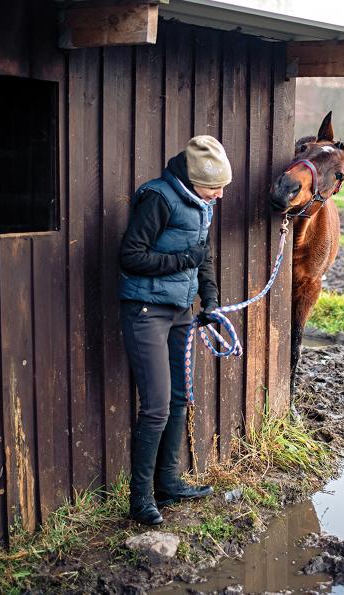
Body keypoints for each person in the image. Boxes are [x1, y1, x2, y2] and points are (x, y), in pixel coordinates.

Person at [118, 136, 231, 525]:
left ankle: (169, 483)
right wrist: (186, 258)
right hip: (146, 310)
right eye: (213, 188)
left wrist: (211, 300)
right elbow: (131, 256)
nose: (218, 195)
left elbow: (204, 257)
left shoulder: (203, 205)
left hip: (182, 311)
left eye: (221, 188)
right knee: (156, 407)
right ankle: (140, 499)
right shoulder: (159, 198)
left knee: (181, 397)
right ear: (191, 178)